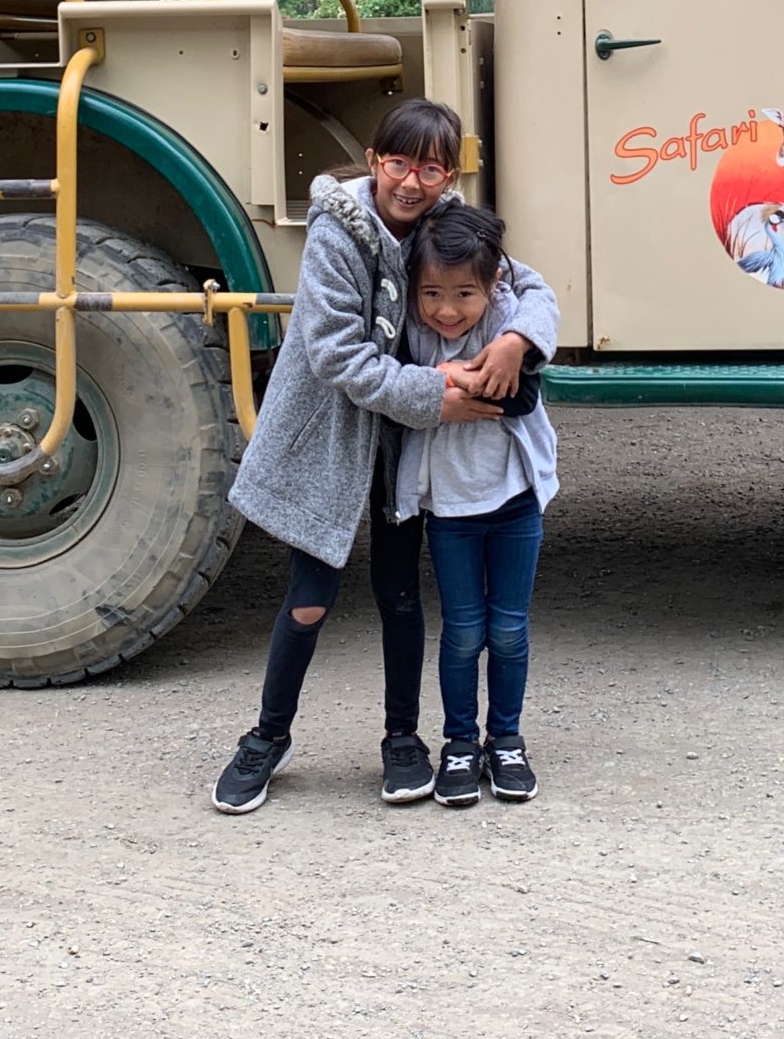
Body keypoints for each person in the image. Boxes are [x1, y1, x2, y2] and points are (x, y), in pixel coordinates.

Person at [211, 99, 554, 814]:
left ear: (448, 173)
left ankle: (403, 739)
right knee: (309, 597)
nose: (411, 181)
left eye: (430, 168)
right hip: (333, 432)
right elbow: (337, 354)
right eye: (398, 163)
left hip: (401, 441)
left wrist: (517, 340)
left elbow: (527, 286)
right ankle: (267, 737)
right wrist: (437, 392)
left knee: (400, 594)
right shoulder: (336, 235)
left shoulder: (444, 221)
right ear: (373, 163)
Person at [394, 204, 561, 807]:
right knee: (464, 632)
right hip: (451, 510)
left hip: (515, 501)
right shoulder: (413, 331)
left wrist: (447, 377)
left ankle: (507, 740)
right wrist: (452, 376)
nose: (446, 308)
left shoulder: (510, 320)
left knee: (510, 631)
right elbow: (399, 382)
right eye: (432, 293)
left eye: (464, 292)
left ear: (492, 284)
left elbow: (518, 396)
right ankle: (460, 743)